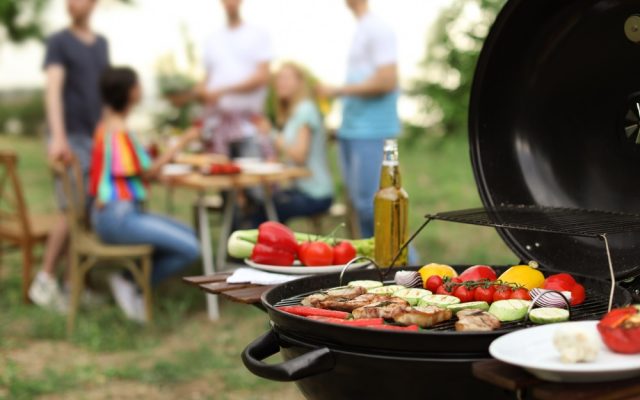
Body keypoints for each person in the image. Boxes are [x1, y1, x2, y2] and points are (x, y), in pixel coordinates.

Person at [89, 67, 200, 322]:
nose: (141, 90)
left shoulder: (110, 126)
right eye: (138, 85)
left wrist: (157, 172)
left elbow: (133, 172)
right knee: (191, 248)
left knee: (191, 236)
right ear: (129, 92)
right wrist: (181, 143)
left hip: (120, 213)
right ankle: (129, 282)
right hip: (117, 218)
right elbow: (146, 173)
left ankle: (132, 280)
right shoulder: (118, 131)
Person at [29, 0, 110, 311]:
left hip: (94, 139)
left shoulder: (101, 45)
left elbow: (103, 96)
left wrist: (106, 138)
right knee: (71, 211)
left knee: (86, 212)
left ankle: (72, 284)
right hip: (70, 138)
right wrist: (58, 136)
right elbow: (53, 90)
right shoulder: (59, 42)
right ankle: (45, 280)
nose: (70, 3)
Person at [318, 0, 400, 238]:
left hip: (373, 132)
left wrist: (337, 90)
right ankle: (374, 268)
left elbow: (387, 81)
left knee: (373, 205)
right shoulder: (362, 29)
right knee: (360, 206)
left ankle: (405, 265)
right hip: (352, 132)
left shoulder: (378, 28)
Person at [256, 63, 334, 223]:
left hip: (316, 194)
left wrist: (270, 133)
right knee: (260, 205)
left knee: (262, 210)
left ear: (300, 83)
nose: (280, 83)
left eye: (286, 78)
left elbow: (299, 156)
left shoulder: (306, 110)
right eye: (278, 79)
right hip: (301, 190)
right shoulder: (294, 113)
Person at [196, 0, 273, 158]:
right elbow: (206, 79)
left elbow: (262, 76)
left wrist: (224, 90)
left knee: (252, 178)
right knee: (221, 179)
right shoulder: (212, 39)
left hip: (249, 126)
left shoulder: (258, 34)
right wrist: (202, 92)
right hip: (217, 125)